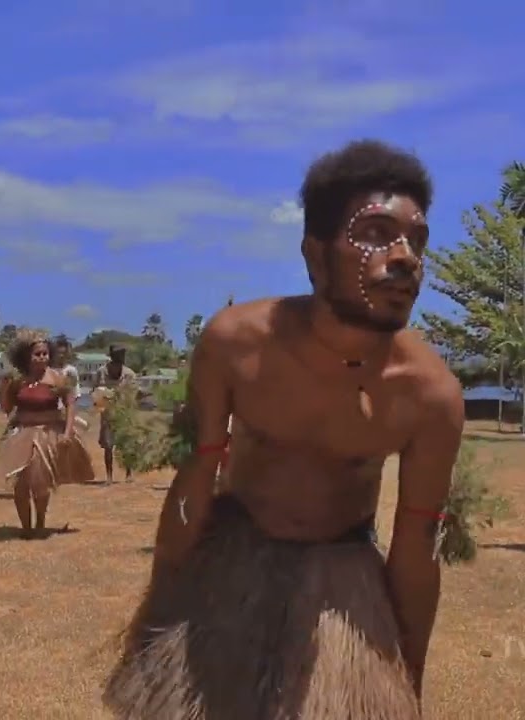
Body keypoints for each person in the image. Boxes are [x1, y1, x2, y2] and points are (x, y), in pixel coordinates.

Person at [103, 139, 464, 719]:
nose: (405, 257)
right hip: (233, 565)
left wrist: (406, 681)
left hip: (344, 588)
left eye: (417, 239)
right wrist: (162, 604)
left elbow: (416, 550)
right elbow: (198, 477)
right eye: (374, 232)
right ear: (315, 256)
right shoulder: (235, 344)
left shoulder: (429, 395)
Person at [0, 333, 95, 539]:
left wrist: (67, 433)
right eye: (37, 354)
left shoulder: (57, 379)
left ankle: (40, 523)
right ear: (27, 357)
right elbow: (7, 408)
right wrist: (5, 389)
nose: (42, 357)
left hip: (47, 433)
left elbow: (70, 405)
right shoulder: (17, 381)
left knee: (40, 482)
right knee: (21, 484)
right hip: (23, 433)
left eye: (45, 354)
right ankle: (26, 528)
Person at [91, 344, 138, 484]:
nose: (120, 357)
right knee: (108, 446)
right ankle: (109, 476)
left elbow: (133, 393)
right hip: (108, 414)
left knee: (127, 445)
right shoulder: (101, 372)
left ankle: (129, 474)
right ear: (111, 356)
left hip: (124, 413)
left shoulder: (129, 374)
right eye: (118, 354)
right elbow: (95, 391)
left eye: (122, 355)